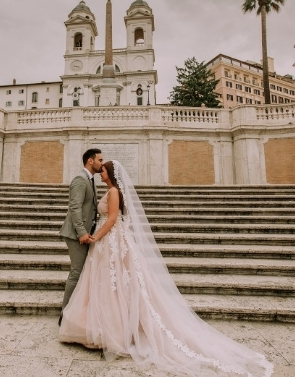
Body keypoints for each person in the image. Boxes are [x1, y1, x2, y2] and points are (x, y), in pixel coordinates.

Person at [60, 160, 273, 376]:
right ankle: (106, 326)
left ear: (110, 174)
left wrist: (96, 236)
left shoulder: (114, 192)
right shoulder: (111, 190)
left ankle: (114, 329)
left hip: (111, 241)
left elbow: (113, 218)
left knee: (116, 283)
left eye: (103, 169)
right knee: (110, 284)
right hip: (109, 243)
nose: (100, 171)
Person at [58, 148, 104, 326]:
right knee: (76, 273)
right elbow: (74, 208)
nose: (102, 162)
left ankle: (76, 313)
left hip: (86, 232)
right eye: (100, 159)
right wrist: (82, 232)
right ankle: (65, 314)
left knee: (81, 273)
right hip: (76, 234)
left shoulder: (90, 180)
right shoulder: (80, 179)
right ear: (90, 161)